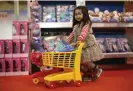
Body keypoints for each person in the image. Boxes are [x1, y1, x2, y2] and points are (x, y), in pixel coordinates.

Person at [66, 6, 104, 81]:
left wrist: (80, 39)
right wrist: (67, 41)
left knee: (85, 61)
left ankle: (97, 69)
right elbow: (72, 34)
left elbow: (84, 32)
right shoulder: (76, 26)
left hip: (86, 45)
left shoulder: (87, 23)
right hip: (79, 45)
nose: (77, 16)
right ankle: (87, 75)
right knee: (79, 61)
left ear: (85, 14)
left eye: (79, 14)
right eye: (76, 14)